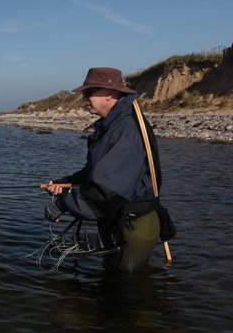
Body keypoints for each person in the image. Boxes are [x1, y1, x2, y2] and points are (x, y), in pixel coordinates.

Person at [43, 67, 161, 272]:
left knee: (126, 285)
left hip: (133, 225)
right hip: (117, 221)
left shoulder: (126, 130)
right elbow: (96, 172)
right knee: (110, 281)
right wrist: (67, 182)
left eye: (89, 92)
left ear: (109, 94)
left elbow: (105, 193)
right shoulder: (112, 126)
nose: (84, 98)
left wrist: (62, 204)